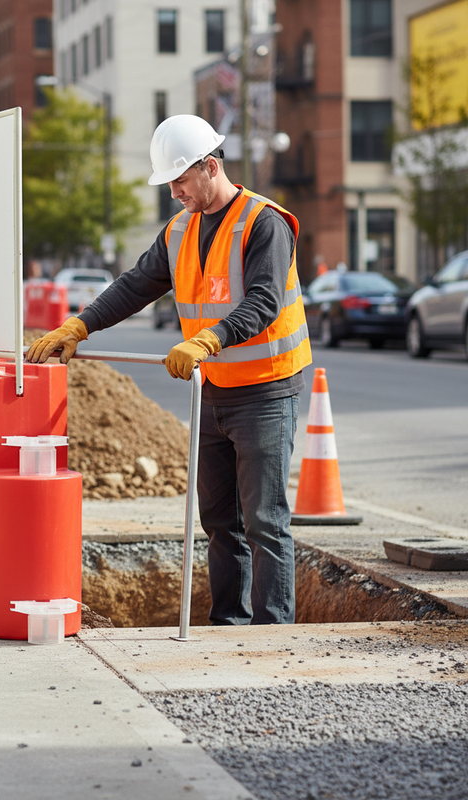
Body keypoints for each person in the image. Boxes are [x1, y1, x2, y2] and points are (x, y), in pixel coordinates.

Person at [26, 114, 312, 625]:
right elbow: (136, 285)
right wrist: (81, 324)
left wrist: (209, 339)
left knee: (264, 522)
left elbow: (265, 301)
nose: (174, 193)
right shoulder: (180, 230)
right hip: (214, 390)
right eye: (170, 183)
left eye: (180, 180)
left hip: (266, 392)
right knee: (219, 521)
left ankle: (273, 637)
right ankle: (229, 625)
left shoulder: (263, 222)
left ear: (210, 167)